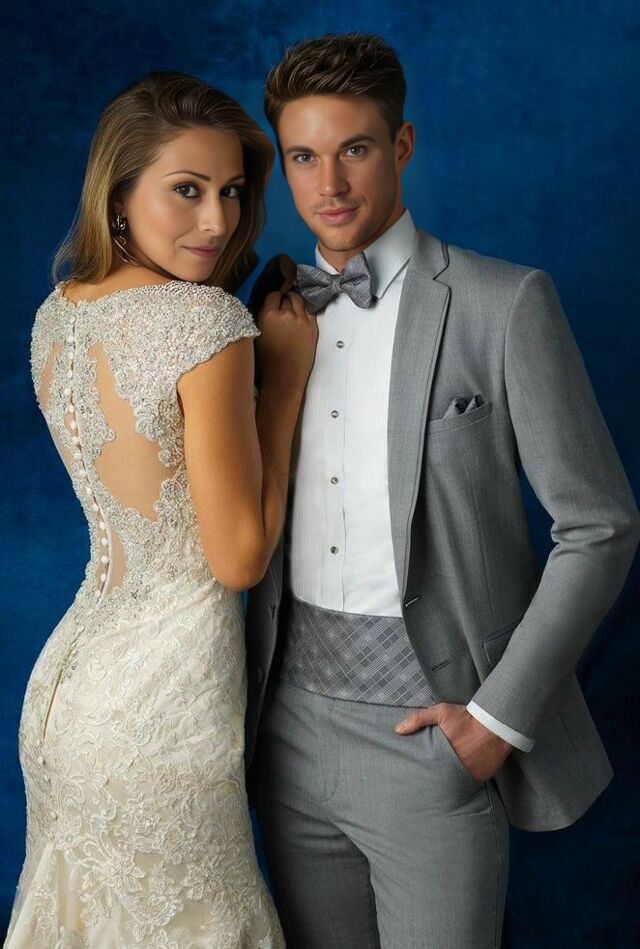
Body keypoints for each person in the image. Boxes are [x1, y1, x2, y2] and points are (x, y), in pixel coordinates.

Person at [245, 33, 640, 947]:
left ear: (403, 144)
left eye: (355, 148)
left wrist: (496, 720)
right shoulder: (266, 314)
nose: (329, 183)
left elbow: (599, 526)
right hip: (285, 733)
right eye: (303, 156)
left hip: (433, 734)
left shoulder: (505, 303)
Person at [6, 70, 317, 947]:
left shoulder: (57, 314)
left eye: (231, 191)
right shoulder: (204, 324)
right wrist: (284, 383)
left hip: (65, 694)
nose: (217, 220)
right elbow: (239, 558)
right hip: (161, 706)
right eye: (186, 190)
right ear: (119, 195)